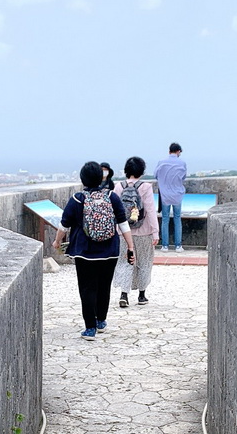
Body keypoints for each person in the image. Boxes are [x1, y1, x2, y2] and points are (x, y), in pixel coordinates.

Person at [53, 161, 135, 339]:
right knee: (104, 286)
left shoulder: (77, 199)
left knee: (87, 288)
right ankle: (101, 321)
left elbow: (64, 224)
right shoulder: (111, 197)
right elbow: (123, 223)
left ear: (82, 179)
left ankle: (90, 328)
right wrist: (130, 246)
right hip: (110, 251)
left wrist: (57, 242)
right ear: (101, 178)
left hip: (85, 252)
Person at [113, 156, 159, 308]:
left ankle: (124, 295)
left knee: (125, 262)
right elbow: (151, 210)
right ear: (142, 171)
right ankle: (141, 295)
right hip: (144, 232)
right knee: (144, 262)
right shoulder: (145, 187)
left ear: (126, 170)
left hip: (124, 232)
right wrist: (155, 232)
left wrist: (116, 230)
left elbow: (114, 211)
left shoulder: (118, 186)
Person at [154, 142, 187, 251]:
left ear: (169, 151)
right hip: (177, 194)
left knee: (165, 219)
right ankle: (178, 245)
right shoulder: (182, 163)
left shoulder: (161, 162)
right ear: (178, 151)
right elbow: (183, 177)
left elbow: (155, 175)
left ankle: (165, 245)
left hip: (165, 195)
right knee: (177, 218)